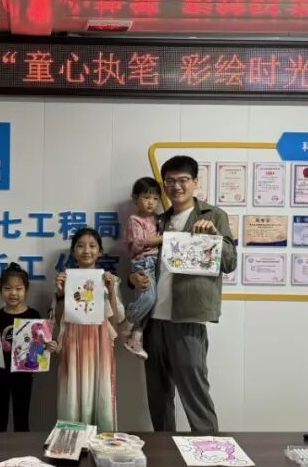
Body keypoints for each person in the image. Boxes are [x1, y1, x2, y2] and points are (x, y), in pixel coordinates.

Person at [130, 155, 237, 433]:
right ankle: (164, 453)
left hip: (188, 318)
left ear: (195, 182)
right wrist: (133, 279)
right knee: (158, 396)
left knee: (195, 394)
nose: (176, 186)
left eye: (183, 180)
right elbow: (140, 259)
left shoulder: (212, 216)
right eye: (170, 181)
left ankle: (210, 449)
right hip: (153, 320)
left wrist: (213, 236)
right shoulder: (158, 220)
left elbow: (229, 263)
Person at [0, 263, 59, 432]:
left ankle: (22, 449)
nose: (13, 293)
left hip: (23, 376)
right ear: (1, 290)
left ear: (26, 290)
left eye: (18, 288)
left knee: (22, 419)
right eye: (7, 288)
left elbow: (40, 346)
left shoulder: (34, 316)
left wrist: (49, 346)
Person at [52, 228, 125, 432]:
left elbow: (116, 320)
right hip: (73, 340)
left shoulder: (109, 280)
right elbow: (57, 319)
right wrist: (60, 292)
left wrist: (111, 291)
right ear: (73, 251)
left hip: (100, 342)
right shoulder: (65, 279)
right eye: (81, 246)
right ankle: (72, 441)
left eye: (92, 246)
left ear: (100, 251)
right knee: (73, 392)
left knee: (100, 390)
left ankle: (101, 441)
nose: (86, 250)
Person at [118, 176, 162, 359]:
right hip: (142, 263)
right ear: (135, 198)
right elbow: (139, 242)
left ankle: (135, 339)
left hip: (156, 263)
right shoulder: (134, 219)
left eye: (155, 198)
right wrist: (163, 238)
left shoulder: (157, 218)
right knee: (149, 299)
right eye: (146, 197)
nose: (151, 202)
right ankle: (127, 321)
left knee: (151, 305)